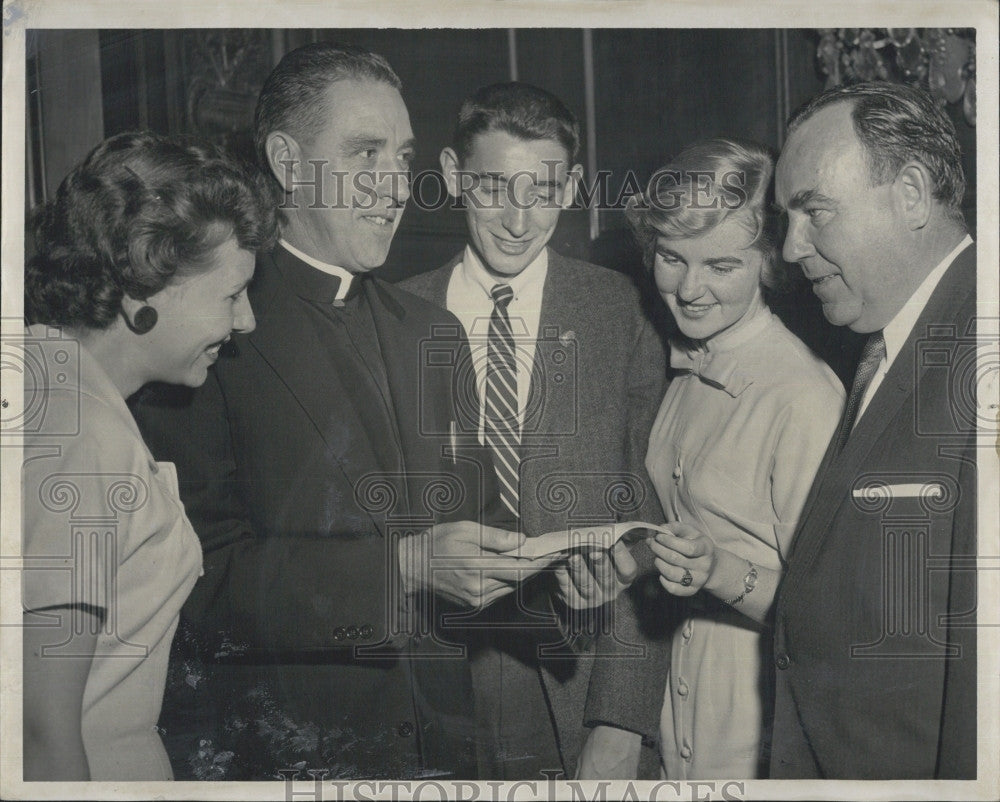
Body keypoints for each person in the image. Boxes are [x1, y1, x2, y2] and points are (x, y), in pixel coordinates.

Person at [131, 42, 547, 780]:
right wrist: (404, 568)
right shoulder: (208, 336)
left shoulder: (433, 332)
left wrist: (555, 569)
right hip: (292, 757)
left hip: (445, 752)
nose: (396, 186)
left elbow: (477, 520)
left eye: (404, 154)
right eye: (365, 154)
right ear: (287, 163)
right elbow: (198, 580)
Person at [401, 81, 668, 779]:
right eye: (494, 188)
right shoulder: (393, 316)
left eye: (544, 191)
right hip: (431, 691)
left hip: (576, 688)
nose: (520, 220)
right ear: (455, 175)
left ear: (573, 184)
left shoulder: (618, 310)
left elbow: (653, 524)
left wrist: (623, 718)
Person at [578, 138, 845, 780]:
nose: (689, 289)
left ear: (769, 265)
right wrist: (625, 565)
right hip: (673, 710)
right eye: (671, 257)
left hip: (760, 722)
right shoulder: (682, 376)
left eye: (721, 266)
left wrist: (720, 570)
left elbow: (834, 619)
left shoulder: (801, 397)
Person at [21, 130, 276, 780]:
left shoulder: (51, 385)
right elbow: (39, 735)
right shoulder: (83, 438)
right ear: (144, 285)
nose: (245, 321)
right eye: (229, 295)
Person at [770, 81, 977, 779]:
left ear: (912, 194)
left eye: (815, 212)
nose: (792, 248)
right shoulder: (884, 340)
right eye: (787, 218)